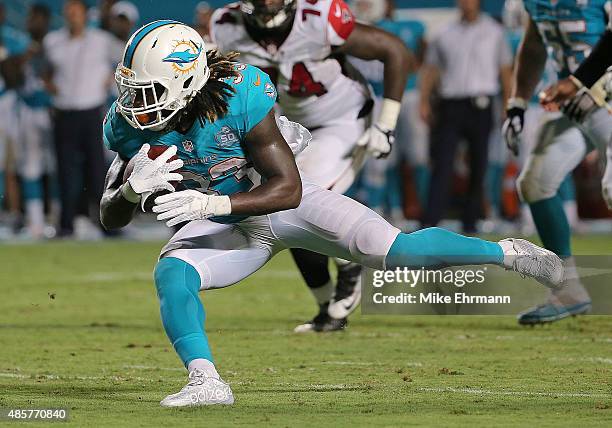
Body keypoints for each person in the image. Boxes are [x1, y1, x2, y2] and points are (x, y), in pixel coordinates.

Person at [101, 21, 563, 407]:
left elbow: (288, 188)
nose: (137, 105)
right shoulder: (126, 126)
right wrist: (128, 190)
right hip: (227, 222)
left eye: (149, 92)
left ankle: (508, 253)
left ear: (186, 81)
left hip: (279, 203)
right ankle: (206, 381)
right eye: (134, 90)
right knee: (172, 273)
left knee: (397, 253)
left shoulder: (241, 95)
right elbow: (110, 217)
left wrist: (210, 203)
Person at [210, 0, 413, 332]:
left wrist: (386, 125)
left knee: (294, 197)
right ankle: (326, 306)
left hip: (340, 120)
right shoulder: (227, 25)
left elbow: (396, 51)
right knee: (279, 209)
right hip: (283, 128)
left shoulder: (319, 19)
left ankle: (348, 267)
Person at [502, 0, 612, 325]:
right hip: (576, 102)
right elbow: (535, 43)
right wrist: (517, 103)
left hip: (603, 91)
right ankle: (568, 289)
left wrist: (577, 81)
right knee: (535, 182)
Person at [419, 0, 513, 234]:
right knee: (442, 162)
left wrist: (509, 104)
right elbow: (431, 69)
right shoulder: (444, 32)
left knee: (479, 164)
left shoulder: (495, 31)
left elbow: (505, 70)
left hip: (482, 104)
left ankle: (470, 221)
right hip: (451, 104)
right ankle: (430, 221)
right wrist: (423, 100)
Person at [43, 0, 118, 237]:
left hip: (91, 109)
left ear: (86, 15)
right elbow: (45, 70)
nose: (72, 16)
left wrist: (111, 78)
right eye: (69, 12)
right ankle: (66, 225)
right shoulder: (53, 41)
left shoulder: (101, 40)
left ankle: (107, 224)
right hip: (64, 111)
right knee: (65, 171)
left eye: (76, 12)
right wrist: (50, 85)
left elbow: (127, 57)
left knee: (97, 171)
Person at [16, 3, 57, 239]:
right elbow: (13, 75)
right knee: (30, 168)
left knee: (56, 167)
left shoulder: (54, 44)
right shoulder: (22, 46)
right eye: (32, 18)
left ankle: (61, 220)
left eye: (37, 18)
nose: (33, 23)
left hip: (53, 110)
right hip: (28, 110)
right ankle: (36, 223)